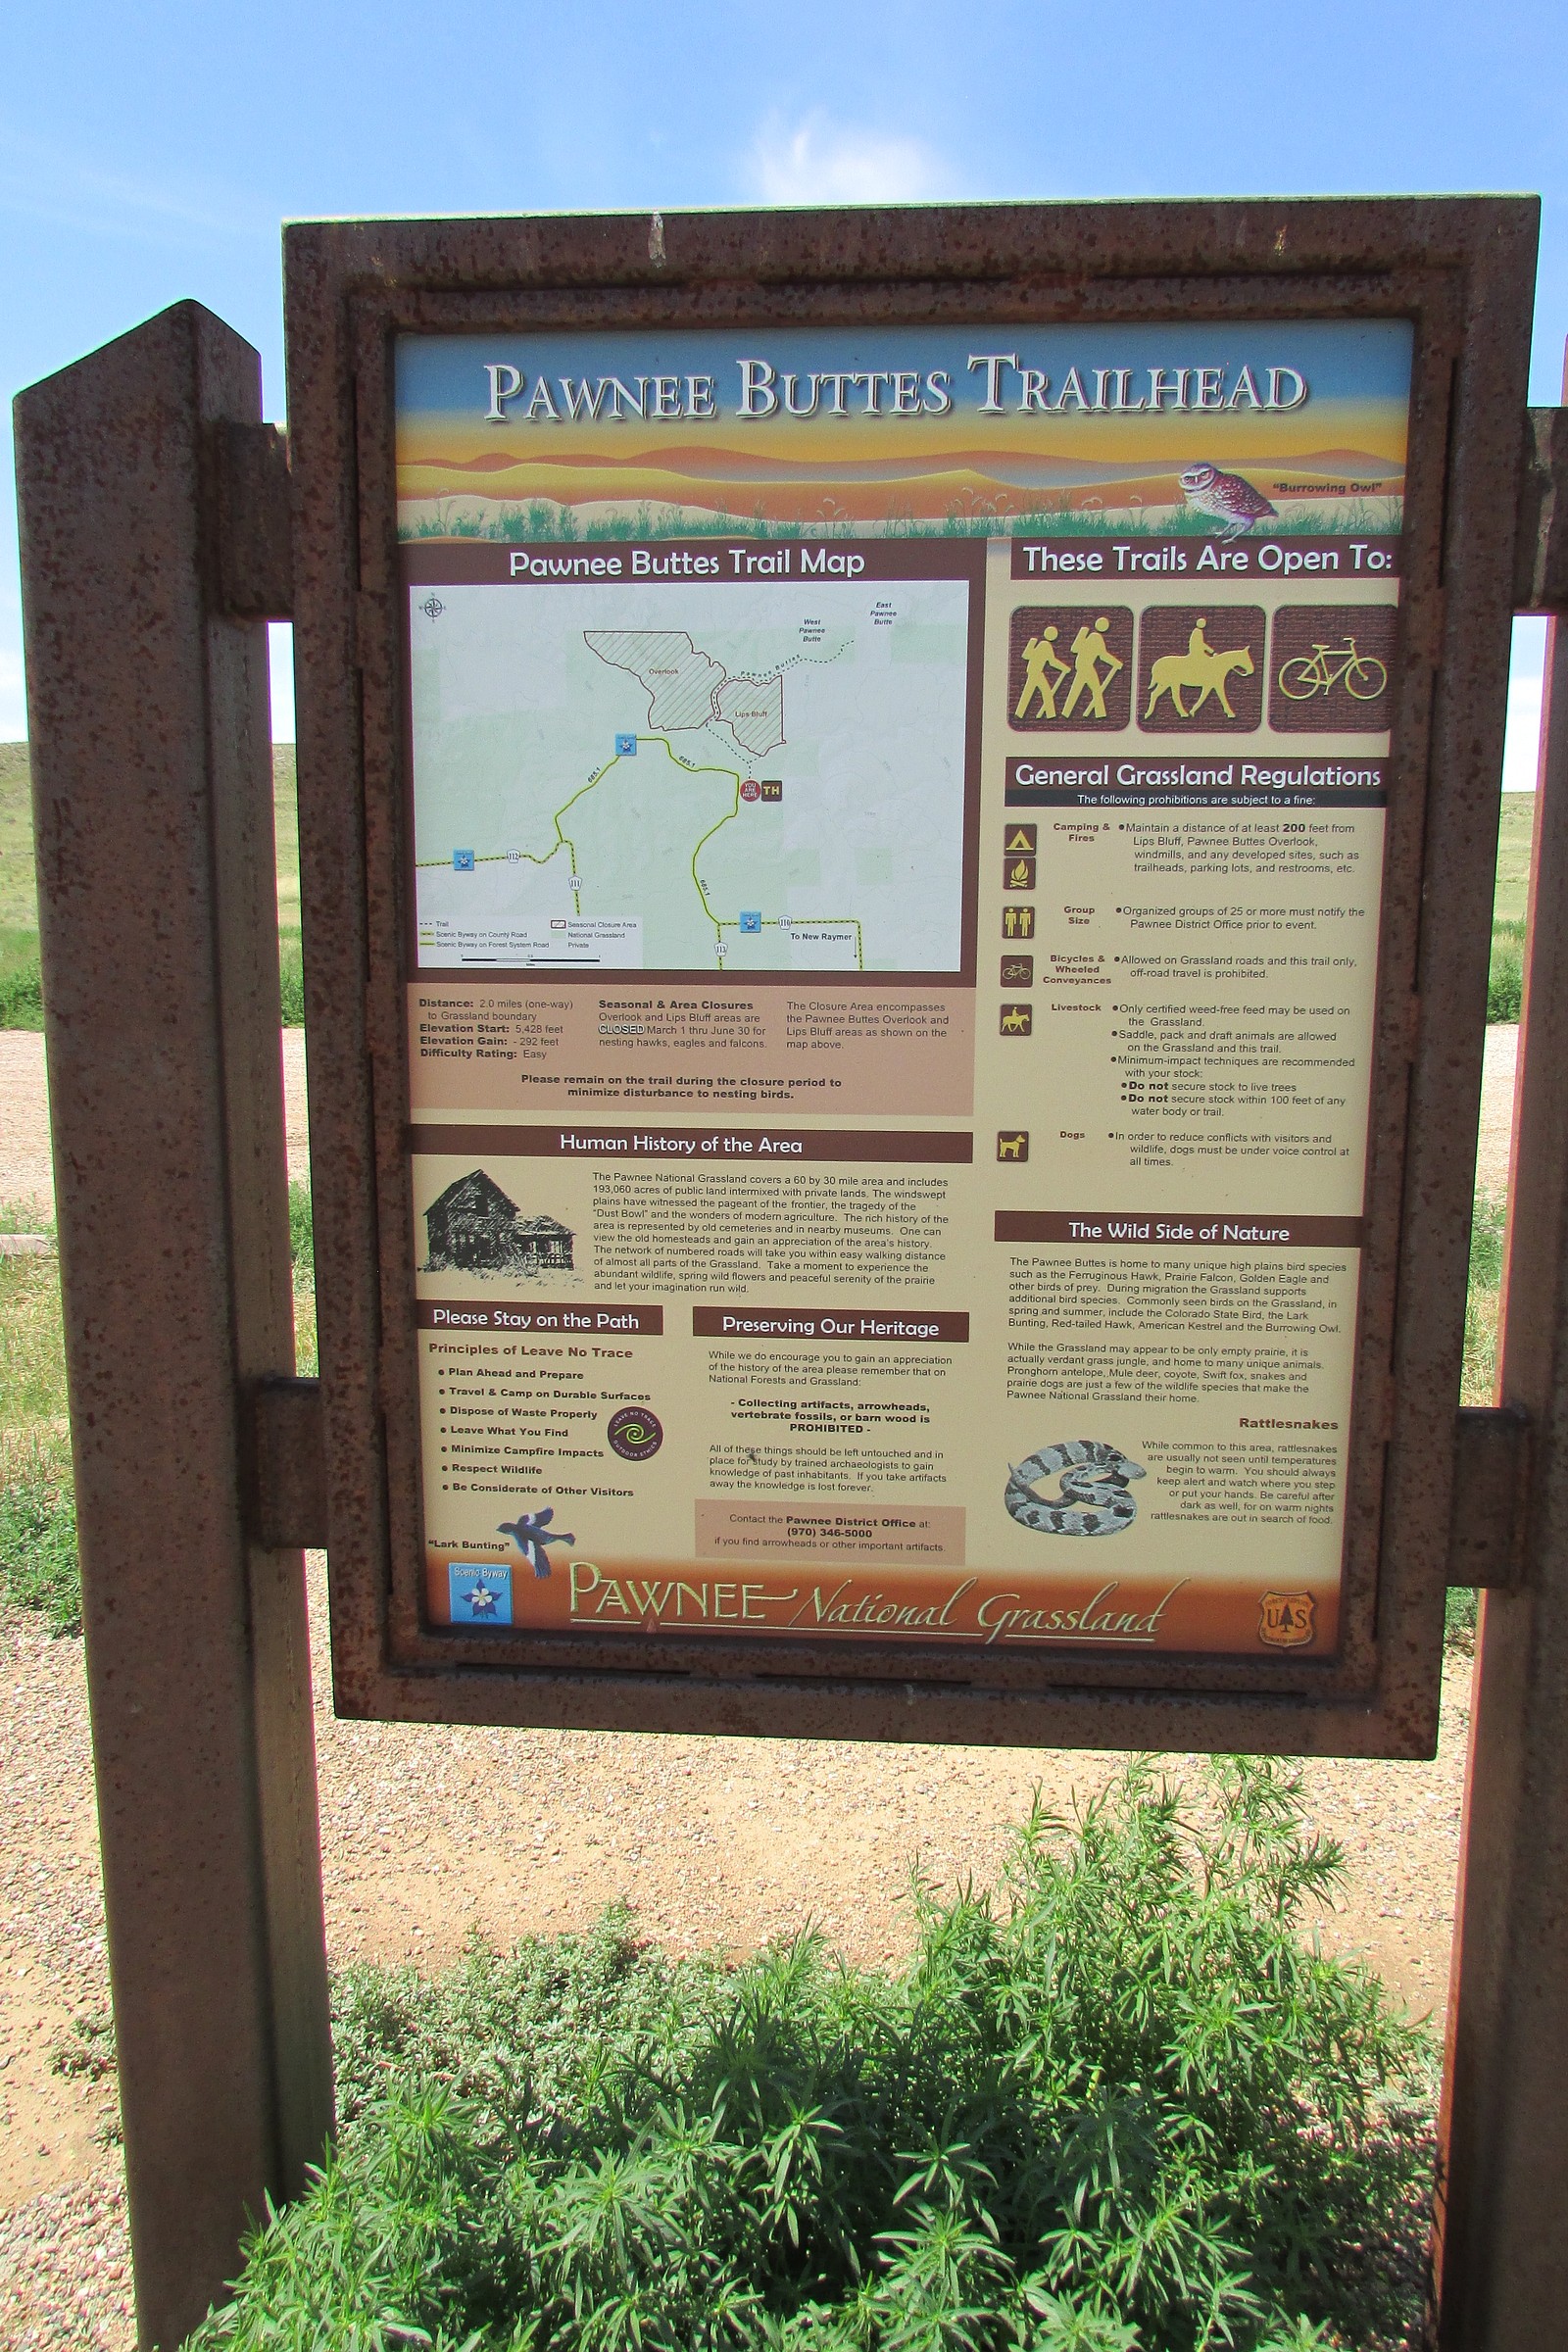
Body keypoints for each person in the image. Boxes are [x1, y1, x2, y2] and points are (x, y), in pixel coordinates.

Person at [1062, 616, 1123, 720]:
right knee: (1095, 689)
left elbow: (1101, 655)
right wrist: (1116, 663)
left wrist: (1115, 663)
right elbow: (1102, 655)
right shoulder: (1095, 638)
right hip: (1086, 667)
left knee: (1079, 689)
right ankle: (1099, 714)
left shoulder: (1092, 637)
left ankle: (1067, 712)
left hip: (1083, 666)